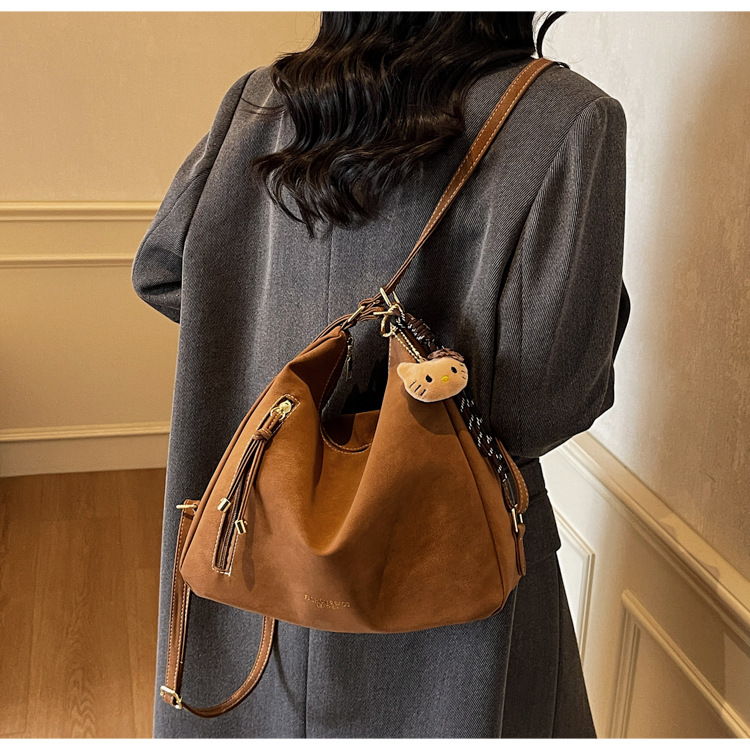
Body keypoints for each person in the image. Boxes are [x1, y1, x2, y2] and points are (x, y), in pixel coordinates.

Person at [132, 11, 630, 738]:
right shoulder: (566, 117)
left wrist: (271, 340)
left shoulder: (260, 102)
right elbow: (544, 403)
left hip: (253, 546)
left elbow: (160, 272)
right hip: (440, 581)